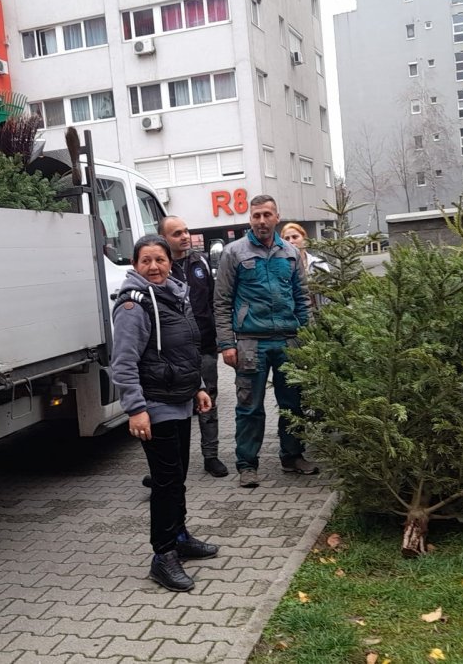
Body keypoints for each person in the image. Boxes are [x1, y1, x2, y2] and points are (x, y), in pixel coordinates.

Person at [111, 234, 219, 592]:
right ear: (135, 265)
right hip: (155, 405)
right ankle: (163, 555)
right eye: (146, 261)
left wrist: (200, 386)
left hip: (180, 399)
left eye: (160, 259)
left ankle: (180, 535)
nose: (154, 267)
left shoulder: (176, 295)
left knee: (178, 477)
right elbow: (123, 363)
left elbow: (188, 350)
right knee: (165, 481)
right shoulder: (134, 305)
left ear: (170, 262)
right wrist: (136, 409)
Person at [213, 195, 319, 488]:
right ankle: (247, 465)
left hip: (288, 341)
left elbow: (302, 299)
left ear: (277, 217)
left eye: (267, 215)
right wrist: (226, 343)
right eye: (256, 215)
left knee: (292, 404)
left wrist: (306, 338)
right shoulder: (234, 253)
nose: (261, 221)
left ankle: (293, 456)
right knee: (249, 407)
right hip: (250, 342)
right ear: (250, 219)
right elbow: (221, 302)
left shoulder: (290, 253)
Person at [161, 215, 228, 477]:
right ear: (165, 239)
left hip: (205, 346)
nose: (185, 236)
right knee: (175, 407)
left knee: (208, 401)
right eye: (177, 233)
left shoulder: (199, 261)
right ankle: (173, 462)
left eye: (186, 231)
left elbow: (214, 301)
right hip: (175, 351)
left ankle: (211, 456)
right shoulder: (161, 268)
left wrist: (221, 339)